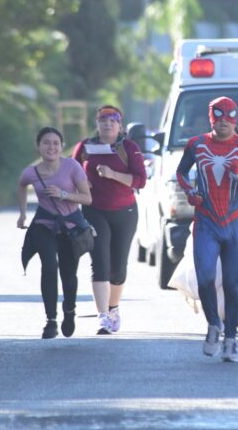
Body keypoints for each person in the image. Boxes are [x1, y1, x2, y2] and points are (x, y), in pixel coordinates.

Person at [176, 96, 238, 362]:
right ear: (211, 117)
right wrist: (190, 192)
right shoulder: (196, 144)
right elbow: (181, 172)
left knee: (231, 285)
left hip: (235, 226)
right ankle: (213, 325)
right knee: (204, 279)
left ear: (236, 119)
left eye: (230, 116)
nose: (224, 121)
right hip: (206, 222)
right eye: (219, 116)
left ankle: (231, 340)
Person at [73, 105, 147, 335]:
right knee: (100, 263)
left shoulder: (129, 148)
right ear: (97, 124)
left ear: (120, 125)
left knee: (118, 269)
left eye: (113, 121)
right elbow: (71, 173)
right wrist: (84, 184)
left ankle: (113, 308)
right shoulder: (85, 147)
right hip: (94, 210)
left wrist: (114, 174)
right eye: (103, 120)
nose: (107, 124)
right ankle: (102, 316)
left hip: (124, 212)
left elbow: (140, 181)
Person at [18, 127, 93, 339]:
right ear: (38, 146)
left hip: (70, 228)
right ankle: (50, 320)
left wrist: (64, 194)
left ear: (61, 146)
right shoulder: (31, 172)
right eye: (46, 143)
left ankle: (69, 312)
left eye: (56, 143)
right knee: (49, 267)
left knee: (68, 275)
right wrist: (22, 214)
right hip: (44, 225)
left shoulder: (72, 166)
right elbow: (21, 185)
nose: (51, 147)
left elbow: (87, 198)